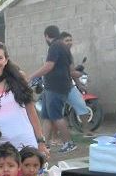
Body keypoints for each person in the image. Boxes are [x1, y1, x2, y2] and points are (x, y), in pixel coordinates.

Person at [26, 25, 78, 153]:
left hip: (56, 87)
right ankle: (44, 144)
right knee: (47, 116)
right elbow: (70, 67)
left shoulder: (55, 46)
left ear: (46, 36)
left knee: (56, 116)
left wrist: (32, 76)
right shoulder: (63, 46)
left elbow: (49, 65)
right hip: (54, 86)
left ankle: (69, 143)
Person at [58, 32, 91, 133]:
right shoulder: (58, 54)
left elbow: (72, 72)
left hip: (69, 86)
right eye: (66, 40)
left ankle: (86, 131)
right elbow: (71, 72)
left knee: (81, 105)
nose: (69, 42)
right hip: (57, 88)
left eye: (70, 40)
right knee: (57, 113)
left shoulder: (69, 55)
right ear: (61, 42)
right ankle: (54, 137)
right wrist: (81, 75)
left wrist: (79, 85)